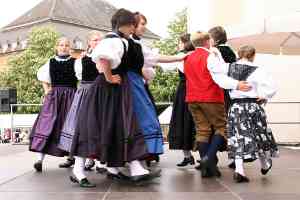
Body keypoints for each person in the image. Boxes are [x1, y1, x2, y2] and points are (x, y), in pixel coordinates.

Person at [70, 8, 161, 187]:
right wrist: (109, 77)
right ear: (125, 25)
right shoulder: (113, 40)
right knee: (94, 127)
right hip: (106, 90)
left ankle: (121, 168)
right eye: (131, 26)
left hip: (114, 91)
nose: (132, 30)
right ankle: (78, 170)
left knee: (114, 127)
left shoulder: (120, 40)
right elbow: (102, 60)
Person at [208, 45, 279, 183]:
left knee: (237, 137)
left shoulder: (228, 67)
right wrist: (264, 95)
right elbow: (272, 86)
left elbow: (214, 70)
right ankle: (265, 163)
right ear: (253, 55)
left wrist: (214, 52)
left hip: (236, 107)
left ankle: (239, 170)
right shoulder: (258, 70)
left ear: (239, 54)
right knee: (258, 135)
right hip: (253, 106)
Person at [184, 32, 251, 178]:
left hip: (192, 98)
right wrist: (237, 84)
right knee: (222, 127)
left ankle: (208, 169)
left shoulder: (188, 57)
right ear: (207, 41)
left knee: (202, 130)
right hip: (210, 97)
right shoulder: (210, 56)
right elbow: (219, 74)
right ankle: (207, 158)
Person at [57, 31, 105, 174]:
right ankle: (85, 162)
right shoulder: (81, 60)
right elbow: (79, 77)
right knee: (85, 127)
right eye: (95, 40)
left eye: (100, 40)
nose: (98, 42)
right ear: (89, 42)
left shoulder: (105, 57)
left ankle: (101, 161)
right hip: (86, 94)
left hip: (102, 94)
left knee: (101, 126)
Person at [29, 37, 78, 172]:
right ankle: (39, 160)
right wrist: (46, 90)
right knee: (46, 125)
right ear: (57, 47)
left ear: (70, 48)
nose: (63, 47)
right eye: (61, 45)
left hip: (71, 96)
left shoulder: (76, 62)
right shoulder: (50, 62)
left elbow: (82, 76)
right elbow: (43, 77)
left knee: (70, 126)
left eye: (66, 45)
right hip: (54, 97)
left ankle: (71, 157)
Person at [208, 26, 237, 169]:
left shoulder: (215, 51)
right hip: (231, 91)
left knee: (217, 124)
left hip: (219, 91)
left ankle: (211, 157)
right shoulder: (231, 51)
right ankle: (235, 158)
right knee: (231, 125)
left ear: (215, 39)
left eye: (210, 38)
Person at [168, 33, 196, 167]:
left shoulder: (182, 56)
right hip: (195, 88)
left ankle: (188, 155)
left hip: (185, 89)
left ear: (185, 43)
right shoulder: (198, 54)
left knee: (183, 120)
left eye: (180, 42)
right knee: (193, 122)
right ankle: (200, 156)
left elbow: (167, 66)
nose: (178, 45)